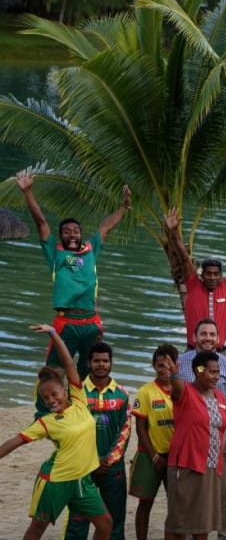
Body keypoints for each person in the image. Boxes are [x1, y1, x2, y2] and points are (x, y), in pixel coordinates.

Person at [1, 324, 114, 540]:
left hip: (82, 481)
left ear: (64, 390)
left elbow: (69, 363)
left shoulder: (79, 399)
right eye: (45, 397)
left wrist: (54, 334)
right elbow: (15, 441)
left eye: (54, 394)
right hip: (55, 481)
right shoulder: (46, 423)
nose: (51, 399)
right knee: (38, 527)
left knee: (105, 523)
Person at [17, 170, 130, 416]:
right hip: (66, 322)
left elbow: (106, 226)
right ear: (62, 236)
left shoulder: (91, 248)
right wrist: (27, 191)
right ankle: (43, 413)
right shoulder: (55, 254)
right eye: (66, 231)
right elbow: (41, 222)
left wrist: (124, 207)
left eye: (75, 231)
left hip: (90, 320)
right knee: (53, 370)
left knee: (90, 368)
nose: (71, 234)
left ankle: (83, 408)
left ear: (80, 234)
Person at [60, 341, 134, 540]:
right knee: (78, 512)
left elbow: (125, 431)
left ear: (111, 363)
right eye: (96, 361)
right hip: (83, 465)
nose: (101, 365)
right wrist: (91, 458)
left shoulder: (122, 395)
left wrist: (109, 459)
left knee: (116, 512)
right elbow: (72, 428)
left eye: (105, 360)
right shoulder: (77, 392)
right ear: (89, 363)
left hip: (113, 466)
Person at [162, 349, 226, 540]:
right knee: (178, 515)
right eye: (211, 372)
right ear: (198, 371)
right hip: (186, 463)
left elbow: (221, 426)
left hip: (212, 463)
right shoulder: (186, 392)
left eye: (217, 372)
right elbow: (177, 387)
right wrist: (173, 375)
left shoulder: (221, 398)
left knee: (204, 515)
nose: (215, 376)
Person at [177, 319, 226, 540]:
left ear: (218, 338)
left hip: (221, 433)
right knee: (191, 486)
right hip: (191, 436)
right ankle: (186, 538)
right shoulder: (181, 363)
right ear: (194, 336)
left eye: (212, 334)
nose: (208, 338)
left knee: (225, 488)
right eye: (203, 333)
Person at [165, 208, 226, 350]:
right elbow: (184, 259)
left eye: (216, 274)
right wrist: (174, 232)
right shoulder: (193, 284)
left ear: (220, 276)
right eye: (209, 274)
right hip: (194, 351)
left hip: (219, 353)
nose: (212, 277)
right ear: (202, 275)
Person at [129, 344, 179, 540]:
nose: (164, 369)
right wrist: (154, 455)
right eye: (159, 365)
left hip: (176, 457)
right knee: (145, 504)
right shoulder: (145, 392)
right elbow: (140, 428)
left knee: (177, 505)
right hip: (150, 457)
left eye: (168, 365)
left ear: (175, 365)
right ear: (153, 366)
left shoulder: (182, 390)